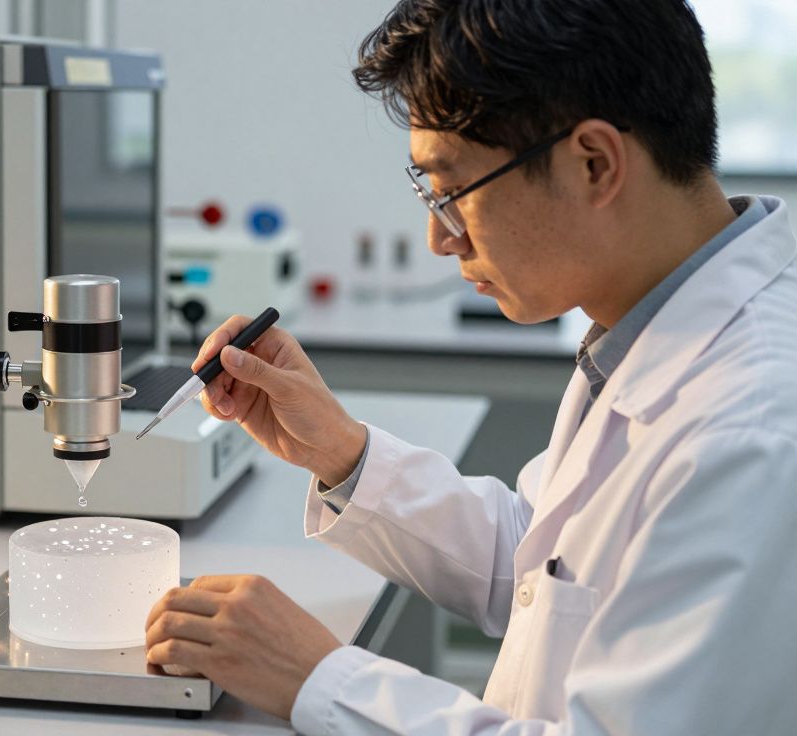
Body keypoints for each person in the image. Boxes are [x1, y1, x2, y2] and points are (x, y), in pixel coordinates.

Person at [143, 0, 797, 733]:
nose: (439, 238)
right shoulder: (645, 330)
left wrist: (319, 678)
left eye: (451, 192)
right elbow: (544, 564)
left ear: (594, 163)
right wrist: (340, 452)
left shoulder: (751, 432)